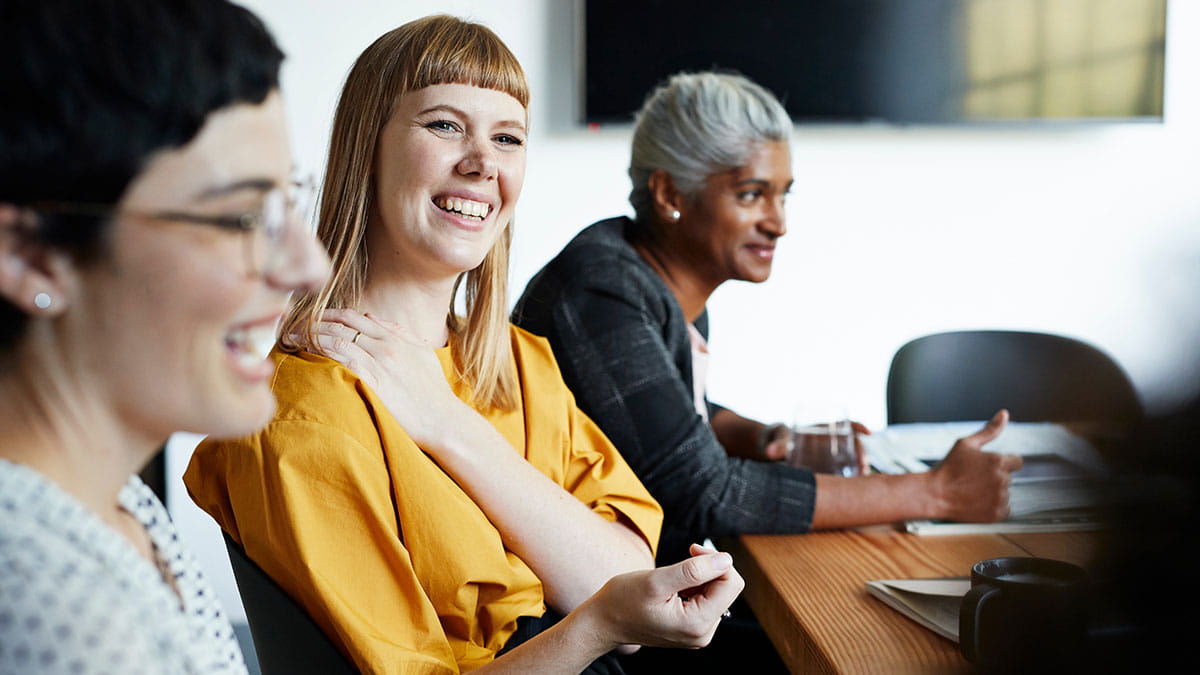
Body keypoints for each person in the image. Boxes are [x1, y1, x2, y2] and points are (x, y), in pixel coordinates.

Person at [184, 16, 742, 675]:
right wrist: (595, 620)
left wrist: (448, 424)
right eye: (445, 125)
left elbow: (625, 572)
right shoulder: (300, 411)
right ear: (369, 146)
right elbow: (614, 614)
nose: (483, 164)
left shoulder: (520, 361)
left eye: (507, 137)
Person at [513, 71, 1023, 568]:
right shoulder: (603, 293)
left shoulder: (650, 280)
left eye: (783, 194)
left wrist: (768, 438)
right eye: (751, 194)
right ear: (670, 195)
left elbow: (663, 420)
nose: (778, 223)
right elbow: (703, 493)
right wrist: (935, 491)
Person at [0, 0, 331, 672]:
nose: (308, 266)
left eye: (284, 204)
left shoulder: (123, 505)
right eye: (240, 216)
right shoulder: (45, 595)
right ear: (32, 255)